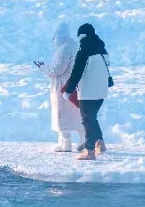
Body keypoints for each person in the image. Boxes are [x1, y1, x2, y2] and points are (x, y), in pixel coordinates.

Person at [63, 23, 112, 160]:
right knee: (91, 118)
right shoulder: (103, 51)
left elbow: (76, 73)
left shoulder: (83, 51)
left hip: (88, 92)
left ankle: (90, 151)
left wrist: (68, 90)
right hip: (102, 91)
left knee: (87, 120)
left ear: (81, 36)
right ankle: (100, 144)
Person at [36, 22, 83, 152]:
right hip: (75, 84)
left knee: (61, 114)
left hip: (62, 85)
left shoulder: (64, 49)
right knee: (76, 114)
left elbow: (57, 69)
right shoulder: (75, 45)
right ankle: (83, 139)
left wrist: (43, 67)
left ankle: (66, 144)